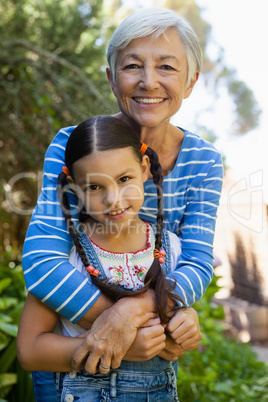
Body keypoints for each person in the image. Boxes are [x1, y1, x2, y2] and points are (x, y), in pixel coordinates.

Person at [21, 6, 223, 394]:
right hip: (67, 374)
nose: (149, 82)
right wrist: (119, 326)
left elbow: (196, 264)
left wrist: (134, 312)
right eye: (133, 66)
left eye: (167, 67)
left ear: (192, 80)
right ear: (112, 78)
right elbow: (44, 261)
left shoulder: (204, 162)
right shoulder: (72, 145)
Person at [18, 115, 197, 401]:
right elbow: (29, 351)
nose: (113, 198)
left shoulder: (171, 249)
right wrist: (122, 346)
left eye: (124, 179)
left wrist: (186, 319)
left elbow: (175, 320)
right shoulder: (66, 257)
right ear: (75, 189)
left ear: (144, 169)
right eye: (94, 187)